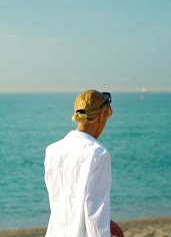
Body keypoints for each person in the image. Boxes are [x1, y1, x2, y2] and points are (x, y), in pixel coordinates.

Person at [44, 90, 123, 237]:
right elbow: (95, 214)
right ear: (101, 116)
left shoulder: (52, 151)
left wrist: (106, 221)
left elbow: (63, 201)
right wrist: (103, 224)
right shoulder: (98, 153)